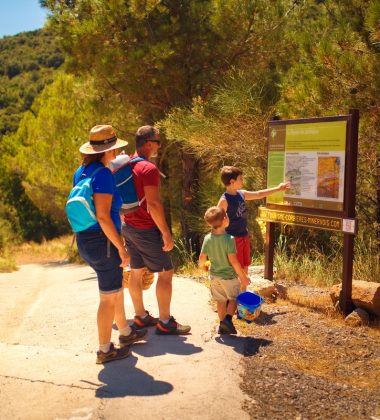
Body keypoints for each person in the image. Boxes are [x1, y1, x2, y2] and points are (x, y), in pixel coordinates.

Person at [74, 125, 147, 364]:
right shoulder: (104, 175)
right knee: (108, 297)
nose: (116, 153)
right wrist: (121, 247)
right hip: (103, 241)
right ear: (107, 150)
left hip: (85, 239)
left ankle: (124, 333)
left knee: (113, 290)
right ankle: (104, 349)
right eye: (114, 149)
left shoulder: (82, 171)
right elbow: (103, 216)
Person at [122, 125, 191, 335]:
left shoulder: (125, 165)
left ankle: (141, 317)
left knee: (136, 272)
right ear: (148, 143)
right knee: (166, 273)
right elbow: (153, 204)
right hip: (145, 228)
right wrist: (165, 233)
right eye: (158, 142)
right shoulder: (148, 169)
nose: (159, 146)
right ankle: (165, 321)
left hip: (128, 226)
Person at [218, 166, 290, 291]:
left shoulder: (241, 194)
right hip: (232, 240)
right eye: (240, 179)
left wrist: (278, 188)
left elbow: (258, 194)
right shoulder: (224, 200)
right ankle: (233, 299)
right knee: (235, 268)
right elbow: (217, 221)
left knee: (245, 266)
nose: (242, 181)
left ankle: (243, 298)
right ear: (232, 182)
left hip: (243, 236)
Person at [199, 206, 251, 334]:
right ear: (224, 220)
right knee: (234, 298)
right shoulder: (229, 239)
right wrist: (243, 277)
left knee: (221, 300)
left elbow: (202, 258)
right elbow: (233, 261)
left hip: (214, 276)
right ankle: (228, 320)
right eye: (226, 216)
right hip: (229, 277)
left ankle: (222, 325)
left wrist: (204, 266)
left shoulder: (207, 238)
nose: (228, 217)